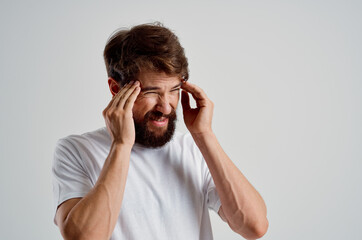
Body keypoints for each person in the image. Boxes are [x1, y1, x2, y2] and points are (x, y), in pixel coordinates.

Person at [52, 22, 268, 240]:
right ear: (116, 89)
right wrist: (121, 145)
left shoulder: (193, 150)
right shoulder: (76, 150)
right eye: (152, 92)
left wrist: (204, 135)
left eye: (174, 90)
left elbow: (254, 227)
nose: (165, 107)